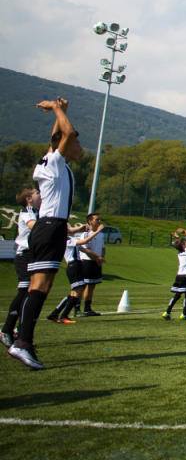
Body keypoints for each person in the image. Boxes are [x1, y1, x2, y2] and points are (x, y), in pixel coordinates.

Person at [8, 97, 83, 369]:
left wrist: (61, 112)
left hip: (52, 228)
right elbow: (67, 133)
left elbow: (58, 135)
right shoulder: (54, 162)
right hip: (50, 227)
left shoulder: (51, 161)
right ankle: (22, 342)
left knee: (42, 286)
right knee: (38, 287)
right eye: (76, 143)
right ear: (64, 145)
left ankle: (23, 341)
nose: (78, 146)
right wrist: (57, 109)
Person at [2, 189, 41, 345]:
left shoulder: (37, 211)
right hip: (23, 256)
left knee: (31, 292)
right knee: (24, 291)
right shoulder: (27, 212)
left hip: (32, 256)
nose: (41, 194)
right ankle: (6, 330)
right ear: (29, 199)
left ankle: (18, 329)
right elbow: (35, 227)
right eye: (37, 192)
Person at [76, 212, 107, 316]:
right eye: (96, 220)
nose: (99, 221)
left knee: (92, 286)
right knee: (83, 286)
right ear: (90, 221)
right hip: (87, 262)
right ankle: (77, 308)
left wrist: (101, 257)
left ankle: (87, 308)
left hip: (96, 262)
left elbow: (103, 248)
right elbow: (86, 250)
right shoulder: (85, 234)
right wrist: (97, 258)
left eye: (99, 220)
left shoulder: (101, 235)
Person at [163, 228, 186, 320]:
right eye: (184, 243)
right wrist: (185, 231)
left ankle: (167, 312)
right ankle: (184, 314)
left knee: (177, 294)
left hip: (179, 276)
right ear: (183, 245)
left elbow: (179, 243)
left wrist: (176, 236)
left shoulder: (179, 252)